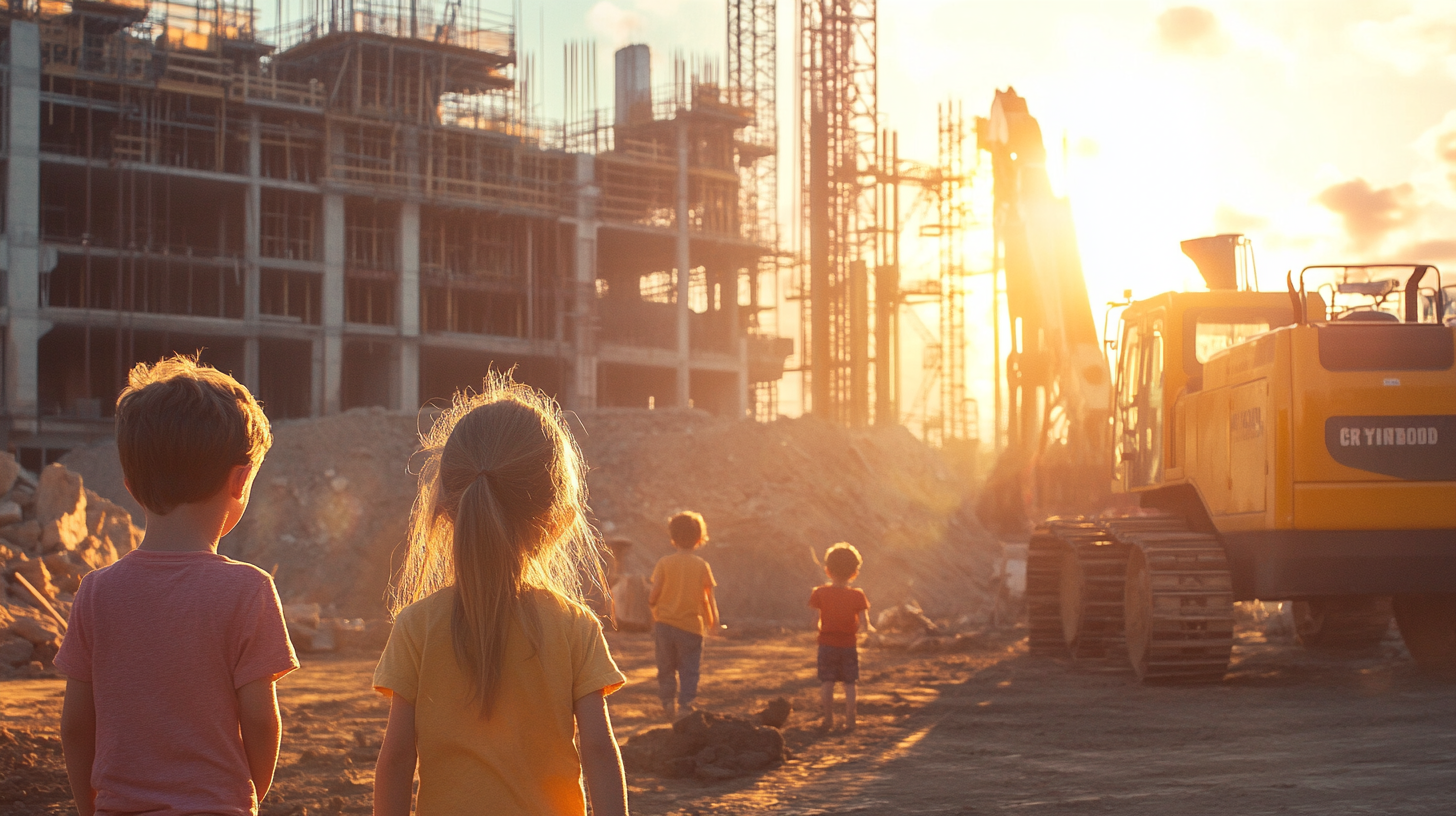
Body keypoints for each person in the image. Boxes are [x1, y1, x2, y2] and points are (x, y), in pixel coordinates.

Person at [372, 376, 629, 816]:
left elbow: (396, 760)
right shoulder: (574, 627)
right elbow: (599, 753)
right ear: (559, 518)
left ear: (445, 510)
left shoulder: (416, 625)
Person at [55, 355, 297, 816]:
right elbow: (262, 722)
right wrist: (249, 795)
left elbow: (75, 725)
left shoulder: (96, 592)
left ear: (130, 485)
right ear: (241, 479)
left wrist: (91, 807)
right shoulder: (248, 589)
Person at [648, 511, 719, 719]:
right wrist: (713, 623)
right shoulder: (702, 566)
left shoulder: (663, 563)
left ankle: (667, 701)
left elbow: (654, 593)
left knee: (665, 666)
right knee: (690, 669)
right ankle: (686, 705)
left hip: (664, 625)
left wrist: (653, 606)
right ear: (699, 539)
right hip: (691, 627)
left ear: (672, 538)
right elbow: (707, 599)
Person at [809, 542, 873, 732]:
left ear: (827, 570)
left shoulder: (819, 593)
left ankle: (828, 720)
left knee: (827, 682)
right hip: (849, 645)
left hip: (826, 644)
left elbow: (814, 622)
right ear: (855, 573)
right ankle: (850, 721)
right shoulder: (858, 595)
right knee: (850, 683)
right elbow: (864, 624)